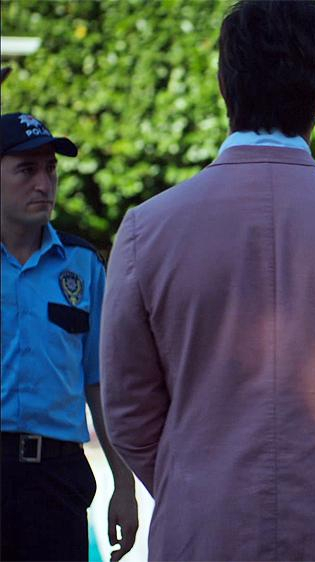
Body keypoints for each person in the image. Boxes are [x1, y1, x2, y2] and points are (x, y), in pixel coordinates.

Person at [99, 2, 315, 560]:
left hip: (203, 526)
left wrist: (199, 479)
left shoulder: (147, 229)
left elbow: (129, 414)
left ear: (223, 85)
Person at [1, 112, 138, 562]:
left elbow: (100, 383)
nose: (44, 184)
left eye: (50, 169)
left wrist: (124, 484)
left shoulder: (82, 266)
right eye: (26, 170)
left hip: (57, 478)